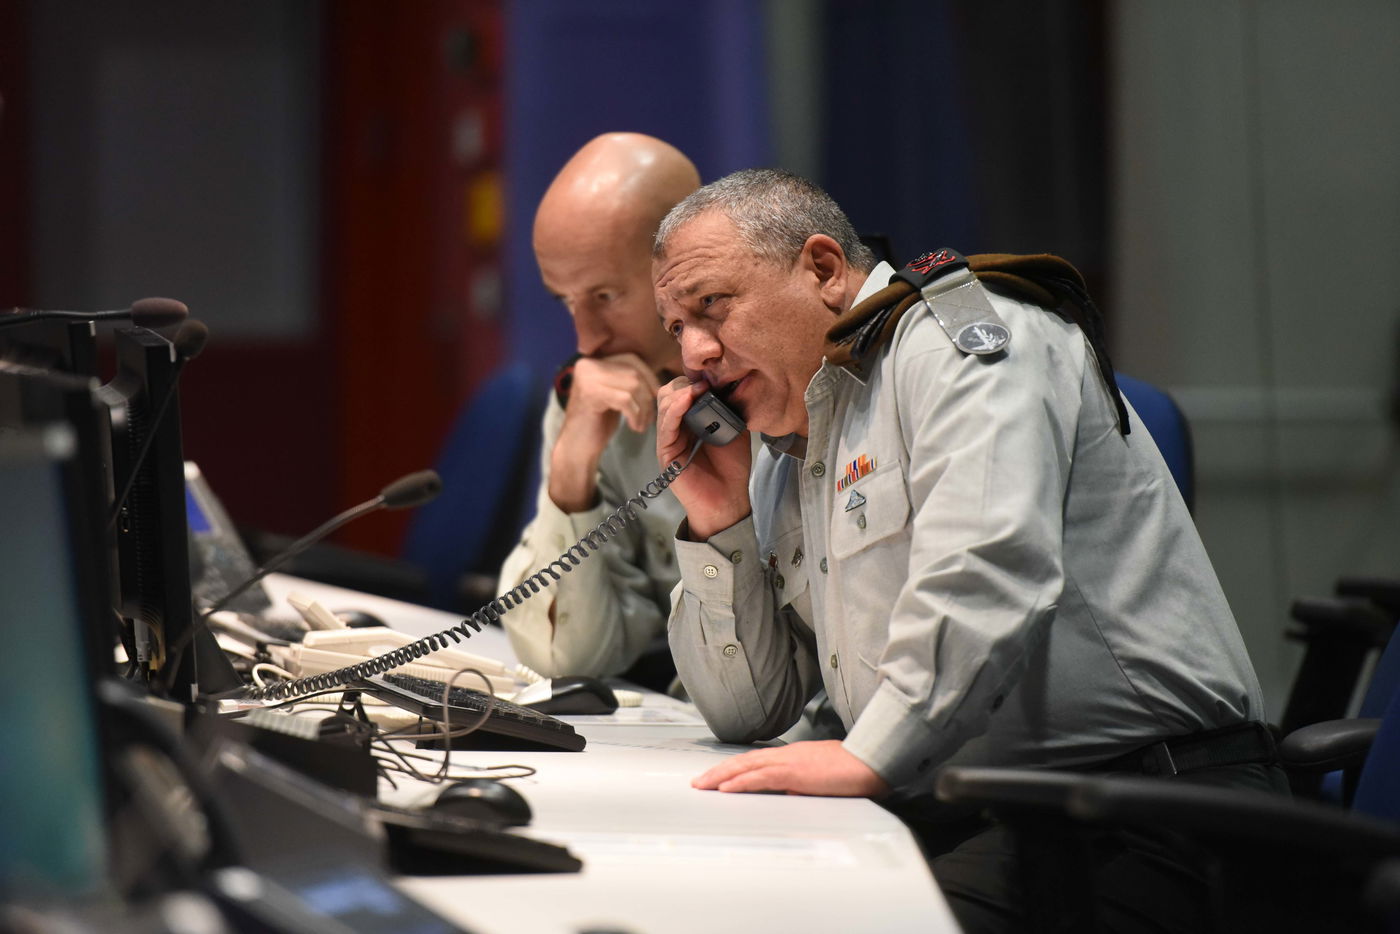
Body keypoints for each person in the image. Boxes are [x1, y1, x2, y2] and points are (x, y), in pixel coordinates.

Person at [651, 169, 1282, 930]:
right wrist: (720, 523)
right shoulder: (792, 434)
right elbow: (744, 710)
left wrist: (869, 755)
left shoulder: (968, 341)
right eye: (676, 328)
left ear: (820, 268)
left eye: (710, 307)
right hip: (967, 810)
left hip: (1141, 814)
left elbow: (988, 566)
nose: (695, 354)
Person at [497, 133, 700, 680]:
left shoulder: (784, 385)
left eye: (605, 297)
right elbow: (568, 657)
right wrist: (570, 471)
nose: (586, 342)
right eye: (566, 300)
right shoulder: (591, 401)